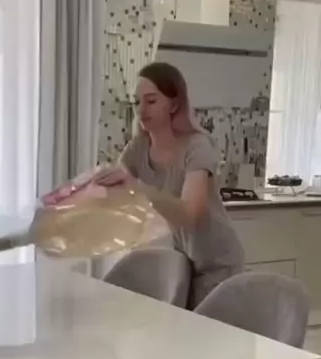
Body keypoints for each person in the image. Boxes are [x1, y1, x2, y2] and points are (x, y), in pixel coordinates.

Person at [94, 62, 245, 308]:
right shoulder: (138, 148)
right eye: (137, 102)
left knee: (202, 331)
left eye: (151, 101)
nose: (141, 109)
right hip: (183, 261)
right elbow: (117, 194)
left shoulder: (197, 146)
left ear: (174, 105)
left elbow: (190, 214)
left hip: (218, 262)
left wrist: (135, 186)